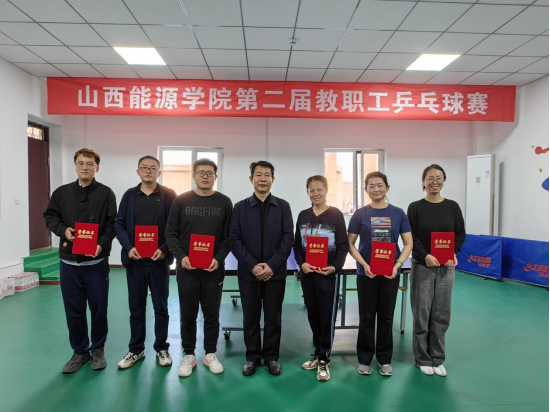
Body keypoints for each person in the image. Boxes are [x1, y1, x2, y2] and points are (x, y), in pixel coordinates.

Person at [44, 148, 117, 374]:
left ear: (97, 167)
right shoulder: (61, 193)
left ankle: (98, 349)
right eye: (81, 163)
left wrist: (101, 245)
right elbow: (50, 216)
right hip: (69, 263)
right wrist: (63, 230)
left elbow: (112, 224)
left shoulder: (106, 193)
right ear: (75, 166)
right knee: (73, 310)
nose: (85, 167)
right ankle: (79, 351)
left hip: (96, 264)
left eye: (90, 163)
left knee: (98, 309)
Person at [165, 159, 233, 378]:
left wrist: (218, 259)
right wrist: (181, 256)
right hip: (187, 269)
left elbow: (229, 236)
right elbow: (170, 233)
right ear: (193, 175)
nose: (205, 176)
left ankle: (210, 353)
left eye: (210, 173)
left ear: (215, 176)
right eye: (201, 172)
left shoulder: (224, 202)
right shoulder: (181, 200)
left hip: (214, 270)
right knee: (188, 314)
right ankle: (189, 354)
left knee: (212, 314)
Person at [230, 161, 294, 377]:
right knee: (250, 316)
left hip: (276, 274)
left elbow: (288, 238)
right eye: (258, 175)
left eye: (267, 175)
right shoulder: (240, 207)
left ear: (273, 180)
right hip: (248, 274)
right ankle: (252, 357)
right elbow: (234, 239)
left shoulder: (283, 207)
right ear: (251, 179)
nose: (263, 179)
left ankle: (271, 357)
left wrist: (272, 265)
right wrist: (253, 266)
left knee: (273, 317)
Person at [114, 156, 177, 370]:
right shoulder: (129, 196)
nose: (148, 171)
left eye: (153, 168)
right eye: (144, 168)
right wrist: (128, 246)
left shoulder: (169, 195)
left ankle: (162, 348)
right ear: (138, 171)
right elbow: (119, 223)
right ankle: (136, 350)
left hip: (159, 262)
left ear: (159, 172)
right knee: (136, 309)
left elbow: (175, 226)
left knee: (161, 308)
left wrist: (164, 248)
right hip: (135, 262)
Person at [348, 172, 413, 378]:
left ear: (387, 187)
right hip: (366, 273)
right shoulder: (360, 214)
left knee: (386, 317)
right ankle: (364, 359)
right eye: (371, 186)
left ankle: (385, 359)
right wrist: (364, 264)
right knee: (367, 317)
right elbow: (350, 244)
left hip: (390, 274)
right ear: (366, 189)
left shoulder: (398, 213)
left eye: (380, 185)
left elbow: (408, 243)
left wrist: (397, 265)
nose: (376, 189)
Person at [407, 164, 466, 377]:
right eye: (430, 178)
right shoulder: (415, 207)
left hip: (446, 268)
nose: (434, 182)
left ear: (443, 180)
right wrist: (425, 256)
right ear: (423, 182)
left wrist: (454, 253)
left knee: (441, 314)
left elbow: (459, 234)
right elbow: (411, 237)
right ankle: (422, 358)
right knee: (421, 313)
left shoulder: (452, 207)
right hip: (422, 266)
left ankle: (437, 358)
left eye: (438, 178)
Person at [294, 176, 349, 382]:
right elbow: (297, 246)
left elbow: (343, 245)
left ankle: (325, 357)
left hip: (328, 275)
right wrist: (302, 264)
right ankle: (318, 353)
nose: (315, 193)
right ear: (307, 192)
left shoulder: (335, 215)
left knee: (327, 317)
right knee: (313, 316)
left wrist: (334, 267)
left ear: (326, 190)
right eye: (311, 190)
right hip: (308, 275)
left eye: (319, 189)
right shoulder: (303, 215)